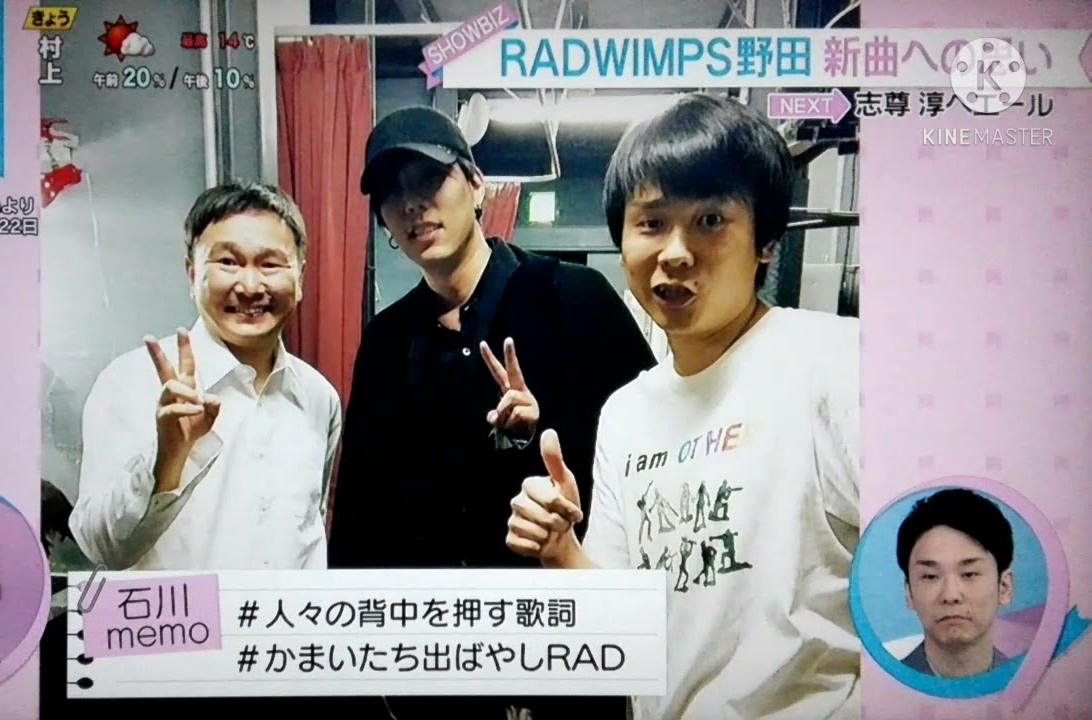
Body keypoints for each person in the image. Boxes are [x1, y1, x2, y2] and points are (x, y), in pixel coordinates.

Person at [506, 94, 862, 719]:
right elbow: (621, 623)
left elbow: (941, 568)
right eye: (651, 223)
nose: (674, 251)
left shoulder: (835, 363)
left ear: (766, 241)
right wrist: (560, 549)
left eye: (710, 220)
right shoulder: (627, 413)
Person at [328, 105, 656, 719]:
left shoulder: (575, 299)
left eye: (430, 180)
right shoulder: (387, 342)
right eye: (392, 194)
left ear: (476, 185)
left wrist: (544, 426)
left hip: (566, 649)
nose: (413, 204)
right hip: (438, 670)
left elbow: (649, 457)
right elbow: (360, 514)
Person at [70, 181, 341, 571]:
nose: (250, 286)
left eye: (270, 264)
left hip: (286, 614)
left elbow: (309, 539)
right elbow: (102, 549)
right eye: (228, 262)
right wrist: (166, 460)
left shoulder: (319, 397)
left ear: (299, 277)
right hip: (179, 614)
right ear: (192, 272)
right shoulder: (131, 381)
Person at [895, 488, 1014, 677]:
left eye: (969, 574)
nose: (950, 595)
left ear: (1004, 587)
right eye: (930, 576)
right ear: (909, 592)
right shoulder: (885, 685)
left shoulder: (1038, 684)